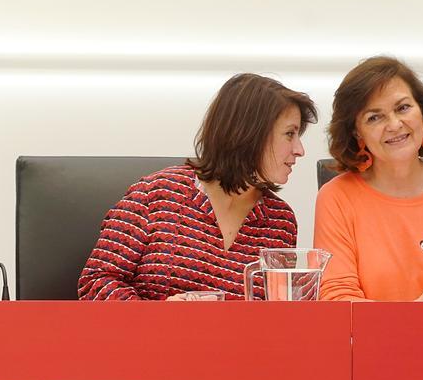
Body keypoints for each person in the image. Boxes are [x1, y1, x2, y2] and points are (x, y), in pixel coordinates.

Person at [78, 74, 315, 300]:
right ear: (249, 133)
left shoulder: (280, 222)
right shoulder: (155, 194)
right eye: (289, 134)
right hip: (149, 341)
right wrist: (158, 315)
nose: (299, 150)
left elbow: (276, 315)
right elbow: (95, 282)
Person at [314, 56, 423, 301]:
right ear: (357, 132)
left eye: (403, 108)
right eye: (374, 117)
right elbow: (339, 301)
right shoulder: (337, 198)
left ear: (422, 111)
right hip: (371, 341)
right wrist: (413, 319)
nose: (395, 124)